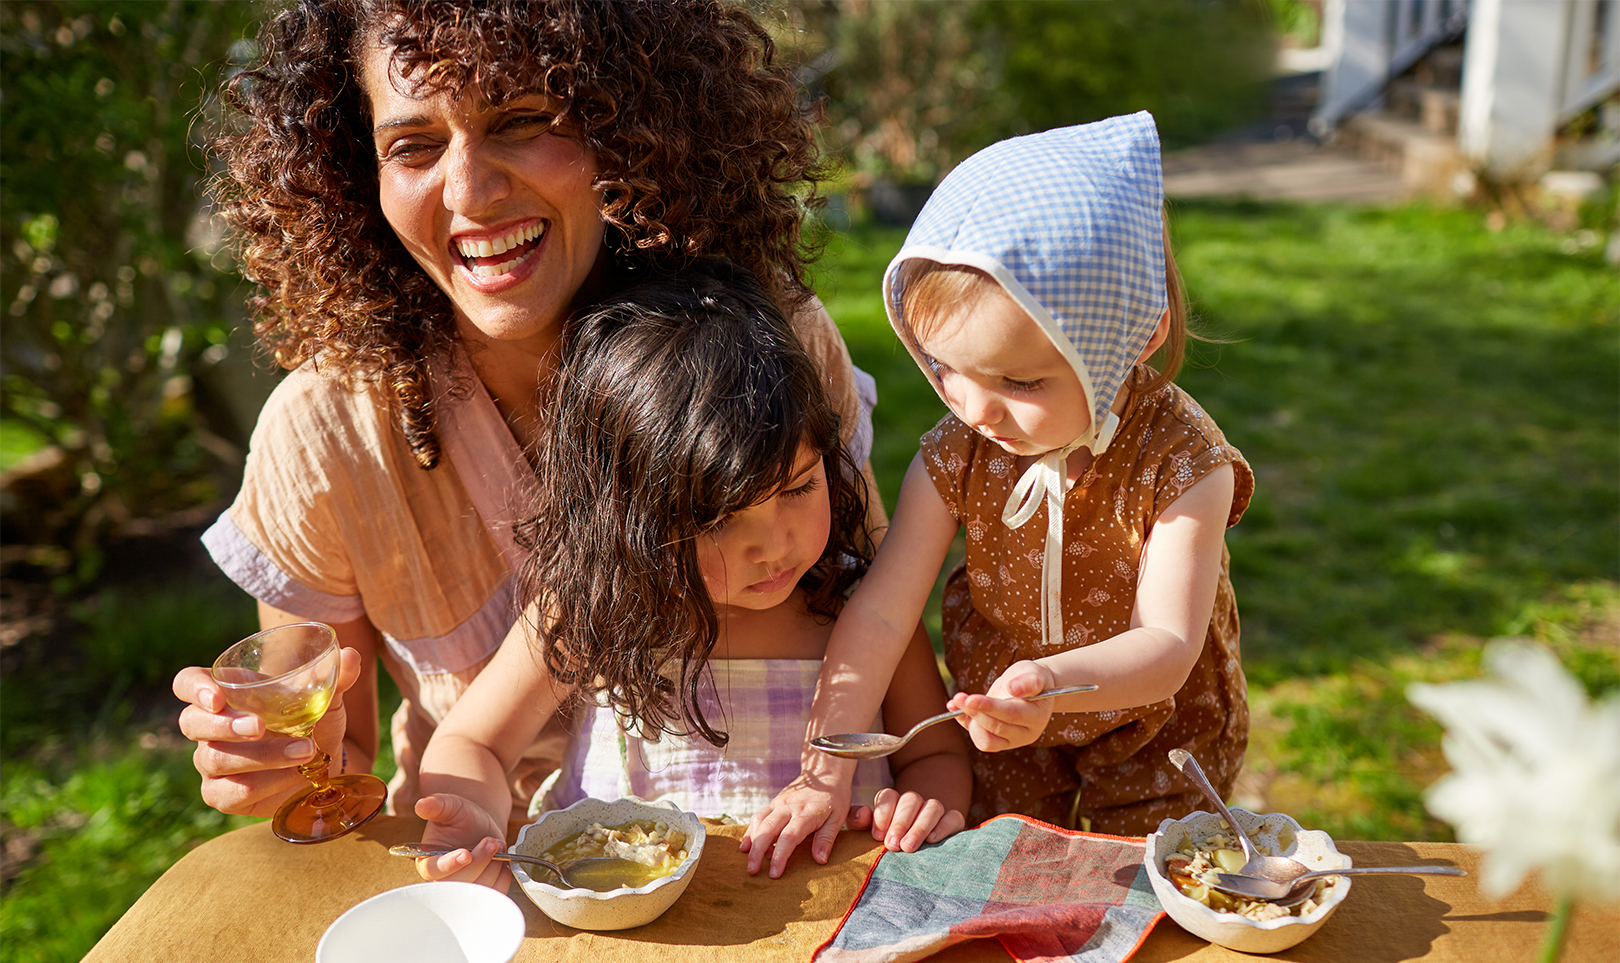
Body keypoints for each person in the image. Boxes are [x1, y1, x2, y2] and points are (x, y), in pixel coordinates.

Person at [170, 0, 886, 820]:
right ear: (353, 177)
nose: (470, 191)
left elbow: (873, 609)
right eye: (414, 146)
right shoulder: (324, 435)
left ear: (632, 126)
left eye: (521, 120)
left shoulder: (772, 348)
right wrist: (275, 760)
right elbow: (334, 760)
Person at [743, 113, 1253, 876]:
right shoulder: (961, 453)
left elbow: (1168, 646)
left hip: (1159, 729)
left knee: (1147, 890)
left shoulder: (1182, 461)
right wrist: (826, 770)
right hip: (1008, 726)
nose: (977, 410)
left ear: (1133, 337)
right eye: (946, 369)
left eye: (1020, 382)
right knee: (1014, 882)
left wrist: (1052, 684)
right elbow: (882, 608)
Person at [408, 262, 970, 888]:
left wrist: (925, 801)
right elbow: (474, 744)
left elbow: (936, 752)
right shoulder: (592, 610)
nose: (775, 545)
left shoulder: (861, 610)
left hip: (824, 931)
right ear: (631, 519)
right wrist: (474, 818)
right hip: (624, 933)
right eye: (721, 520)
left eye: (800, 487)